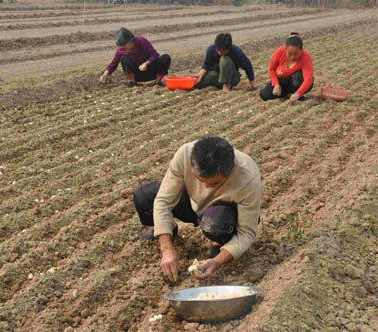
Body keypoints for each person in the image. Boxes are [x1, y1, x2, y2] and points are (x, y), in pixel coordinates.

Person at [133, 137, 261, 282]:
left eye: (214, 183)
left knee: (217, 224)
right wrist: (166, 249)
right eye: (200, 180)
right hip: (191, 202)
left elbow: (247, 232)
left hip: (221, 212)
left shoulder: (247, 179)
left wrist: (217, 261)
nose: (205, 187)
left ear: (230, 170)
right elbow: (163, 201)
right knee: (144, 197)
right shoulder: (185, 154)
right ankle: (169, 230)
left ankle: (220, 243)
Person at [99, 28, 171, 87]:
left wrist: (146, 63)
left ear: (130, 41)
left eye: (125, 45)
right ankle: (133, 82)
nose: (124, 47)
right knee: (124, 58)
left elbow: (154, 55)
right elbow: (113, 65)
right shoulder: (121, 50)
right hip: (137, 75)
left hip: (152, 71)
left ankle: (158, 82)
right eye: (122, 46)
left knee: (165, 58)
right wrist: (105, 74)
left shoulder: (142, 41)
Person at [260, 33, 314, 102]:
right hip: (283, 80)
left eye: (295, 54)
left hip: (296, 82)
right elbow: (271, 69)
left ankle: (296, 95)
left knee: (298, 77)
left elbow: (308, 79)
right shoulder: (279, 51)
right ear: (285, 49)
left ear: (301, 50)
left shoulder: (306, 58)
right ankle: (286, 94)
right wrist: (276, 84)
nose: (292, 57)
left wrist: (298, 94)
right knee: (264, 95)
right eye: (289, 54)